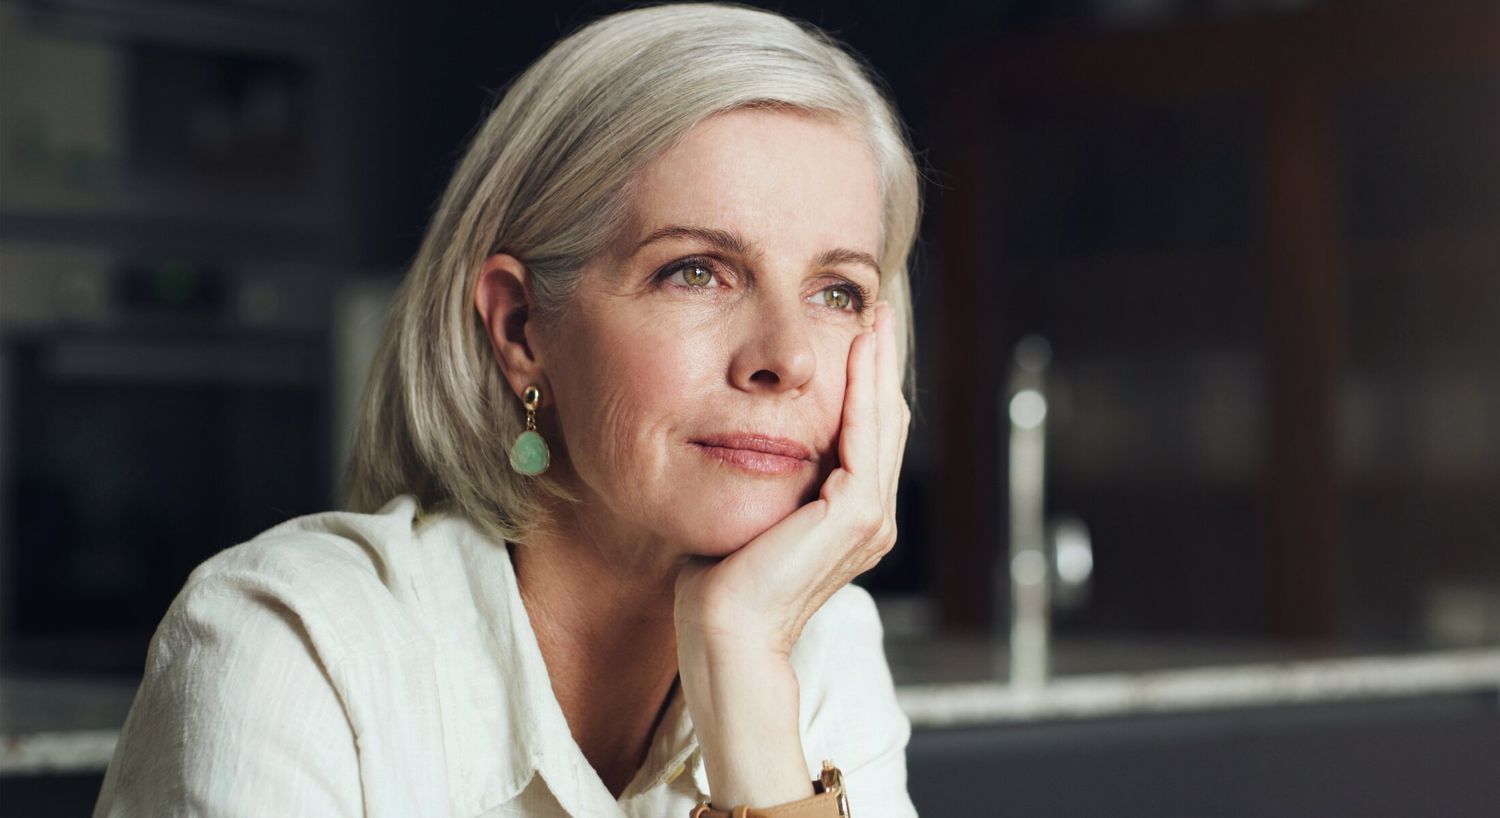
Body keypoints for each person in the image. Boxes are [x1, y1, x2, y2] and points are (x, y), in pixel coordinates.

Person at [94, 3, 921, 816]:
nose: (788, 356)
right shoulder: (292, 653)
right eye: (696, 272)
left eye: (838, 291)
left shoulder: (815, 643)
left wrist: (743, 663)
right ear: (522, 327)